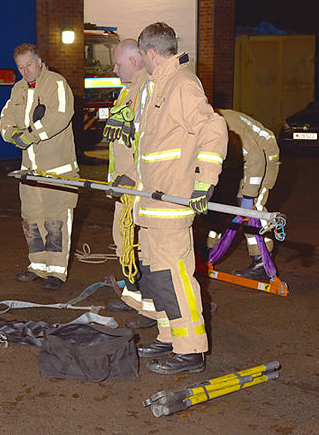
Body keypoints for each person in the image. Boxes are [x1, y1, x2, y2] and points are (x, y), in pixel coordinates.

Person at [133, 22, 227, 374]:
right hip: (151, 204)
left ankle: (191, 350)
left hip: (171, 205)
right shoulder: (158, 85)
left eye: (141, 55)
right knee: (156, 276)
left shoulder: (182, 84)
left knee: (175, 276)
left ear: (151, 53)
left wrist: (206, 180)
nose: (142, 61)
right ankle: (169, 335)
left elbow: (213, 129)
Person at [0, 43, 79, 290]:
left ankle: (56, 271)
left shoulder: (56, 84)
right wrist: (12, 134)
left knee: (56, 221)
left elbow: (60, 115)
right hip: (29, 171)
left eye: (29, 65)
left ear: (40, 61)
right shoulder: (18, 89)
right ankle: (38, 266)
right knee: (32, 220)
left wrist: (30, 134)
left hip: (58, 170)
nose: (25, 71)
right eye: (21, 67)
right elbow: (6, 119)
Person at [102, 39, 156, 329]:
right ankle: (133, 298)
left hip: (139, 186)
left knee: (143, 247)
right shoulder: (127, 93)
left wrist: (133, 176)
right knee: (123, 241)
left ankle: (151, 310)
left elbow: (150, 145)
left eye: (118, 63)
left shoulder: (147, 93)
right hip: (125, 187)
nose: (114, 67)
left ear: (134, 62)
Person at [207, 109, 280, 280]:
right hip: (234, 158)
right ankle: (209, 250)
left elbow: (256, 158)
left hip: (262, 154)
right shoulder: (198, 124)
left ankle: (261, 262)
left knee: (251, 210)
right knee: (216, 202)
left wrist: (248, 195)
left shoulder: (227, 129)